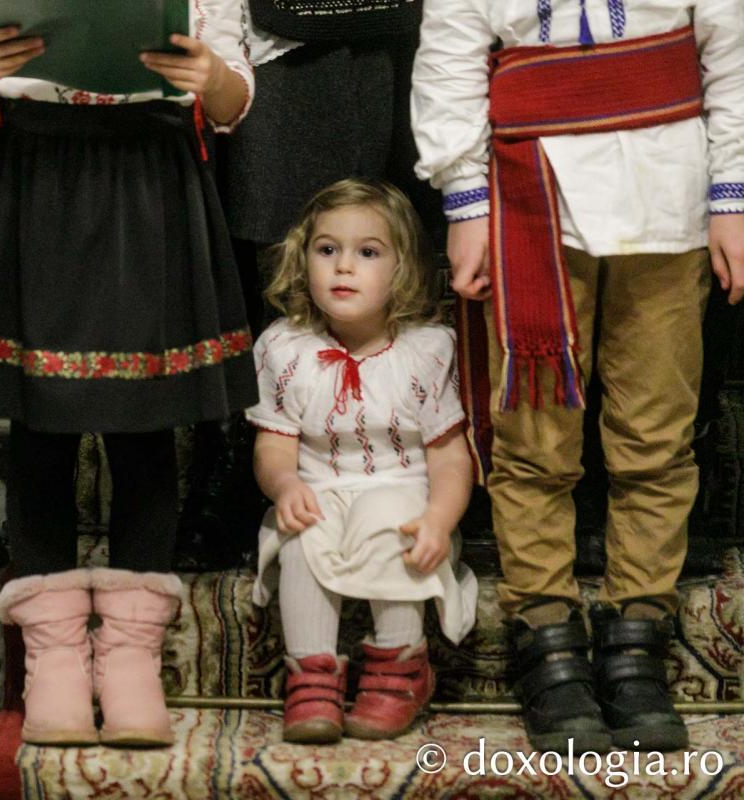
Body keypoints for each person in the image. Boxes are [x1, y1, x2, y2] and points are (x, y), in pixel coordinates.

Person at [412, 0, 744, 753]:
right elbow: (449, 58)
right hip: (530, 197)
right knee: (534, 442)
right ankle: (546, 635)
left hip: (669, 195)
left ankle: (638, 637)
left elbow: (731, 55)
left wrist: (732, 194)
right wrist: (465, 201)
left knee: (656, 439)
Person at [0, 0, 256, 747]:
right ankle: (53, 664)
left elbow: (232, 101)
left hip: (151, 177)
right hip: (37, 176)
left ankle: (132, 661)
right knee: (39, 422)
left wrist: (210, 77)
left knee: (145, 423)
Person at [249, 179, 477, 744]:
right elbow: (273, 445)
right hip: (321, 488)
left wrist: (440, 520)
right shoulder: (285, 348)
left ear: (403, 268)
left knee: (392, 526)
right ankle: (311, 676)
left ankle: (400, 666)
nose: (344, 267)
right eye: (327, 249)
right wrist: (284, 485)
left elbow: (450, 456)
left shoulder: (426, 351)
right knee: (302, 535)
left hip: (404, 490)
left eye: (368, 252)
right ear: (303, 260)